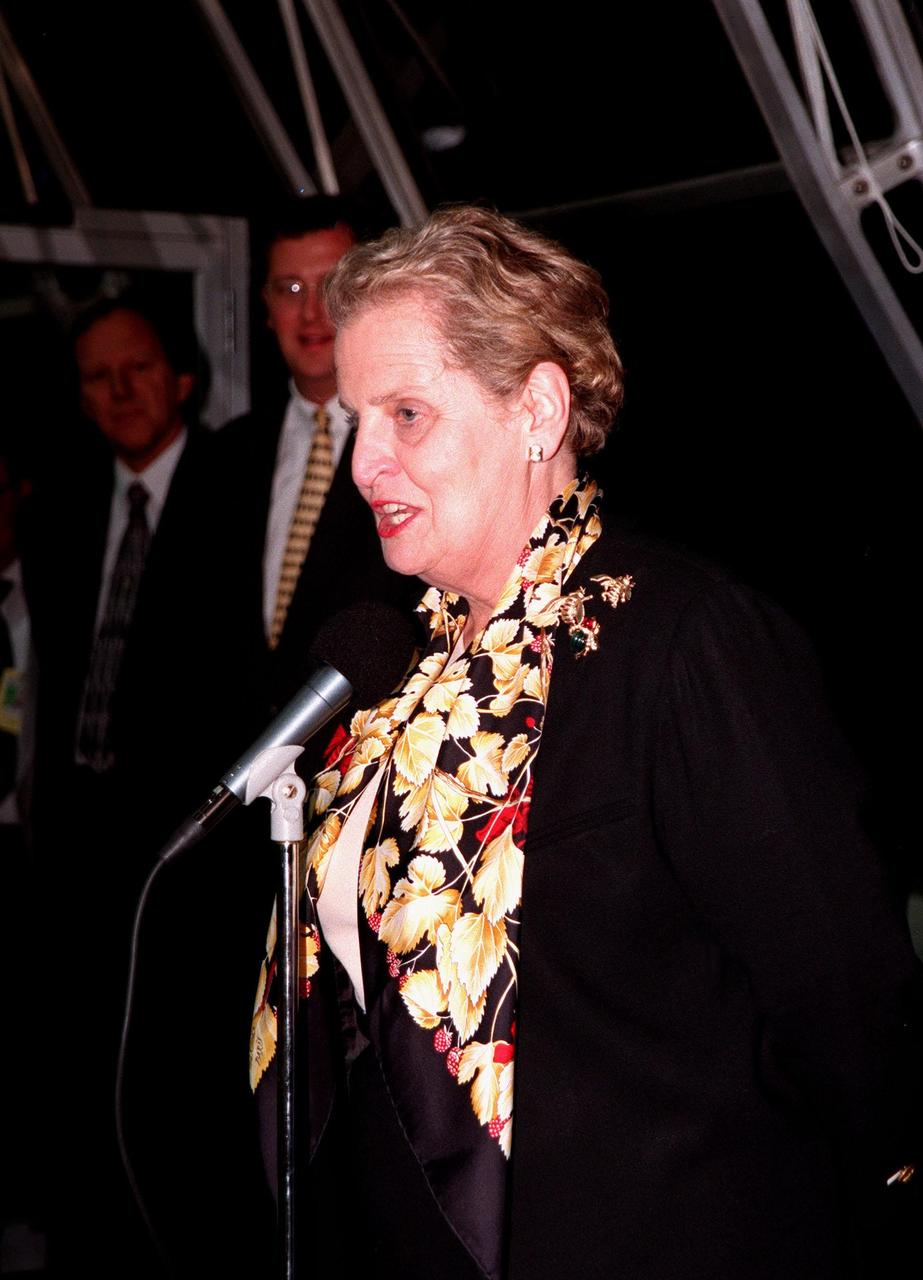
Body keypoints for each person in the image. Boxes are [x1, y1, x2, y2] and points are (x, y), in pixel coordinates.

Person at [249, 206, 923, 1280]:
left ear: (537, 409)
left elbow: (846, 1004)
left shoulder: (679, 640)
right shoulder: (392, 664)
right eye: (355, 420)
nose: (363, 460)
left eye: (406, 414)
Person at [214, 196, 420, 741]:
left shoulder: (414, 446)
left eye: (331, 286)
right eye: (291, 289)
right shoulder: (223, 457)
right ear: (265, 305)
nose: (311, 313)